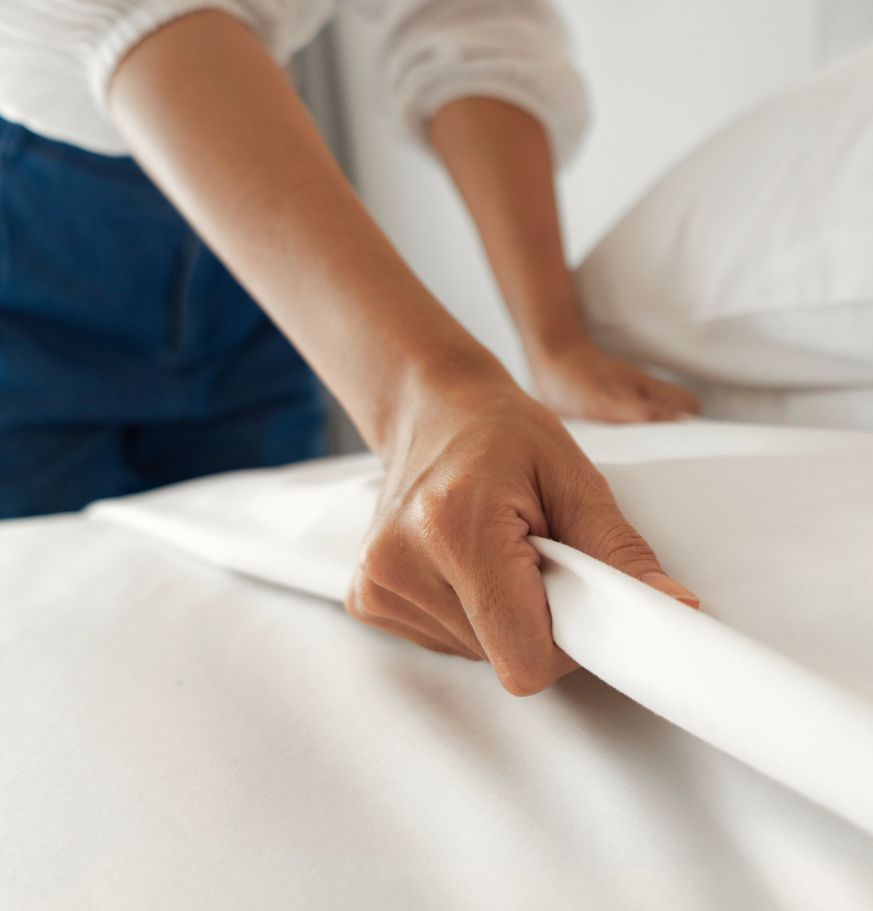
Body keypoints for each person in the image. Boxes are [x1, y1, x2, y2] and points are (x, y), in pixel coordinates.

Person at [0, 0, 699, 693]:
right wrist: (431, 394)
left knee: (253, 635)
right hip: (31, 254)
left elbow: (464, 18)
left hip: (254, 262)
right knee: (58, 643)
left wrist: (555, 340)